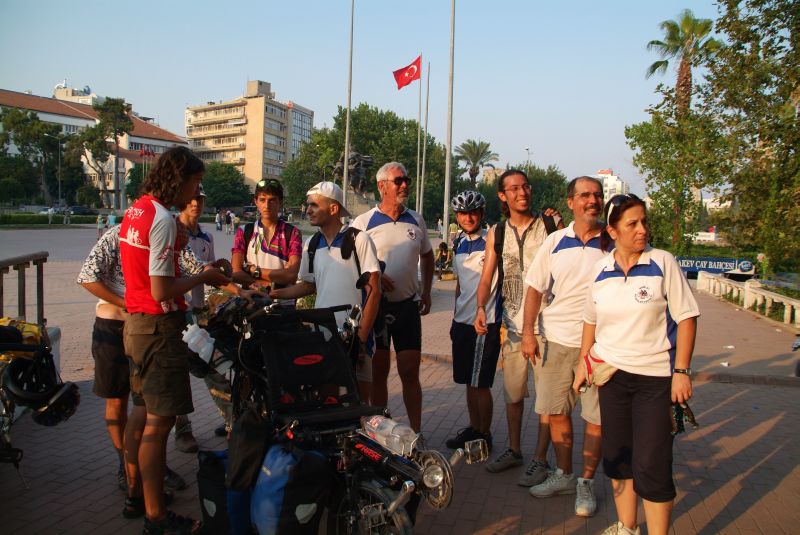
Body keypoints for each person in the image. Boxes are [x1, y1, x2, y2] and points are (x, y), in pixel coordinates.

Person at [119, 146, 231, 534]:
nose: (196, 192)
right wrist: (204, 278)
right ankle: (157, 517)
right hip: (157, 325)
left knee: (141, 413)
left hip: (134, 324)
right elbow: (163, 289)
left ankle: (136, 495)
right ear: (179, 178)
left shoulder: (137, 209)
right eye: (196, 182)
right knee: (159, 423)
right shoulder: (163, 219)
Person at [576, 194, 699, 535]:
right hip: (612, 378)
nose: (642, 229)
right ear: (613, 230)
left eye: (644, 221)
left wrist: (682, 371)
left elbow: (687, 318)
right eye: (632, 223)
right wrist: (584, 363)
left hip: (655, 379)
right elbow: (590, 319)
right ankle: (627, 528)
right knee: (618, 457)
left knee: (652, 463)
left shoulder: (662, 262)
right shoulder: (600, 269)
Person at [77, 225, 207, 496]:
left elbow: (195, 268)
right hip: (114, 326)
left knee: (147, 406)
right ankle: (126, 467)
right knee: (117, 401)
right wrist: (126, 304)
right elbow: (88, 277)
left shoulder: (168, 233)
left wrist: (227, 279)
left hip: (148, 328)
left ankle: (147, 469)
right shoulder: (118, 235)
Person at [522, 176, 606, 516]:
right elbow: (534, 288)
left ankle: (586, 482)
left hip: (601, 349)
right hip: (556, 342)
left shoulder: (613, 242)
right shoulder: (555, 241)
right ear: (570, 202)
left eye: (597, 195)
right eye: (585, 195)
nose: (592, 200)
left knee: (596, 420)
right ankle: (565, 474)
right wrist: (528, 332)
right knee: (556, 412)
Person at [474, 169, 561, 484]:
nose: (522, 192)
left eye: (526, 186)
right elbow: (487, 278)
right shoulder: (496, 232)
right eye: (514, 188)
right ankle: (514, 450)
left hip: (548, 327)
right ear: (502, 195)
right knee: (513, 394)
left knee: (547, 399)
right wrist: (481, 307)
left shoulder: (550, 226)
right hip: (511, 327)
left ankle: (540, 458)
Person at [271, 181, 382, 402]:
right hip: (323, 334)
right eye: (307, 205)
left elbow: (374, 290)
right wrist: (272, 295)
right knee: (326, 398)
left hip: (354, 336)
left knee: (358, 401)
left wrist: (360, 340)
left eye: (314, 205)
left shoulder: (358, 239)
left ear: (333, 209)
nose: (307, 210)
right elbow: (308, 285)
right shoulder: (312, 244)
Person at [351, 162, 434, 432]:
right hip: (378, 309)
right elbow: (351, 261)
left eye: (405, 179)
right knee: (379, 373)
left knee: (410, 371)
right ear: (382, 186)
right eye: (398, 181)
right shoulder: (364, 222)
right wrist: (373, 274)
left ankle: (417, 432)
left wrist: (427, 291)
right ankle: (382, 432)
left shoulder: (416, 219)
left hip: (408, 307)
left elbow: (428, 254)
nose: (404, 185)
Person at [444, 191, 501, 452]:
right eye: (463, 213)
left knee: (481, 384)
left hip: (485, 322)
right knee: (468, 380)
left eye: (473, 212)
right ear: (456, 216)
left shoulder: (491, 240)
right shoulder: (458, 244)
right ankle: (474, 427)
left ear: (482, 213)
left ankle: (484, 434)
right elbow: (460, 285)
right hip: (462, 321)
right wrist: (455, 318)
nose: (468, 217)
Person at [231, 179, 302, 306]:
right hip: (253, 303)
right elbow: (235, 272)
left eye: (272, 200)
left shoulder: (292, 233)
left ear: (280, 202)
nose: (267, 205)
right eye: (262, 200)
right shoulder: (245, 231)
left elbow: (291, 275)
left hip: (284, 306)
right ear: (256, 201)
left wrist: (252, 270)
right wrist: (267, 283)